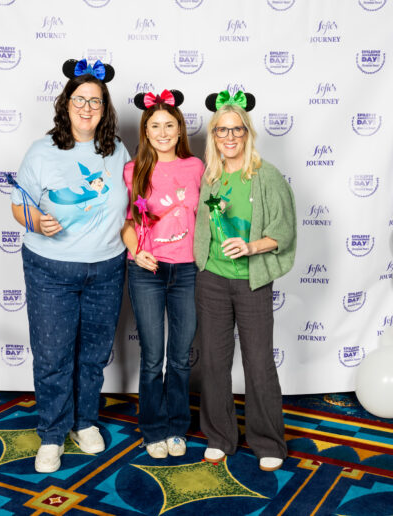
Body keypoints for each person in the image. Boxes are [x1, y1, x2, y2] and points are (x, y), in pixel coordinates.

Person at [11, 58, 130, 473]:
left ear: (105, 108)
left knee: (93, 354)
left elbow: (131, 206)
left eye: (95, 101)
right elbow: (18, 206)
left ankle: (84, 422)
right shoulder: (42, 151)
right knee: (52, 355)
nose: (86, 108)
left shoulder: (117, 150)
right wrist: (35, 221)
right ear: (65, 103)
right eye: (79, 99)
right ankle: (52, 432)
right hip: (50, 269)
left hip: (107, 268)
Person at [193, 90, 296, 471]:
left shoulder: (266, 175)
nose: (230, 136)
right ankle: (220, 436)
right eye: (222, 130)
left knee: (259, 363)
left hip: (252, 283)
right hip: (212, 280)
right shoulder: (210, 176)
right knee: (214, 362)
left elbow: (283, 232)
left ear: (248, 133)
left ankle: (267, 441)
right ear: (214, 135)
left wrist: (252, 247)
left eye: (237, 129)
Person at [122, 89, 204, 459]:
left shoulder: (196, 167)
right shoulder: (133, 170)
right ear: (145, 131)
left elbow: (207, 218)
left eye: (169, 125)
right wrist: (135, 251)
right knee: (153, 357)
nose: (162, 132)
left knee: (181, 357)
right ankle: (153, 429)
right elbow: (127, 222)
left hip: (187, 271)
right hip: (148, 271)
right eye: (155, 126)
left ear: (180, 129)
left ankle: (176, 427)